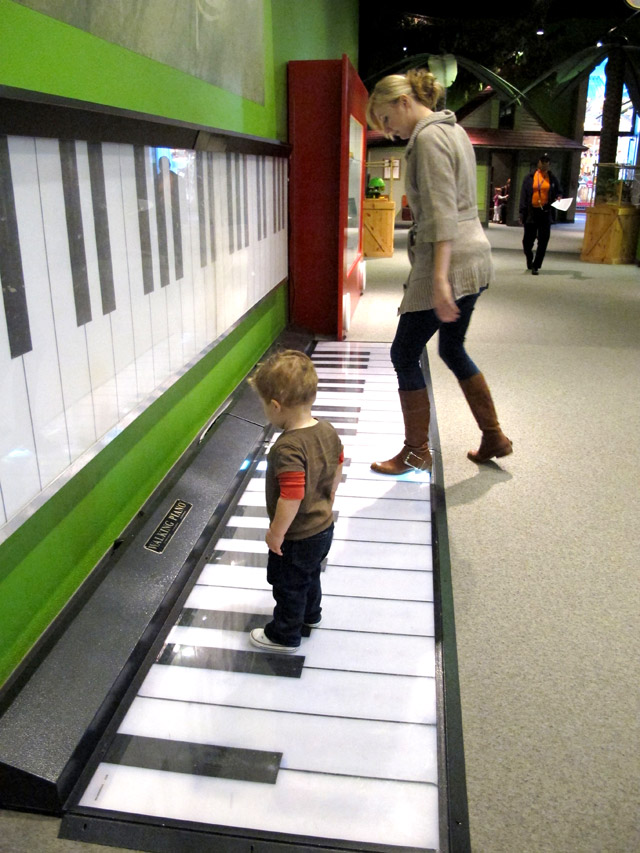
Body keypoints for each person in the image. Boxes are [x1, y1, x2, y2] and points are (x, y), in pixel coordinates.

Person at [365, 69, 512, 474]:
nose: (390, 131)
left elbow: (443, 215)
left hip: (449, 262)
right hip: (475, 255)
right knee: (451, 347)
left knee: (403, 353)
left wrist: (440, 281)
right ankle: (493, 435)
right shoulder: (454, 130)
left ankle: (416, 451)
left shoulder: (427, 139)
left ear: (403, 102)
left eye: (387, 120)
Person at [248, 350, 344, 653]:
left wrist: (277, 533)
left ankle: (285, 634)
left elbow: (291, 495)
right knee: (310, 574)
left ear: (276, 406)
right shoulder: (326, 429)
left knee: (288, 585)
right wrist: (329, 495)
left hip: (298, 534)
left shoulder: (287, 448)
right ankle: (310, 615)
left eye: (265, 406)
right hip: (323, 526)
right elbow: (338, 463)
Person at [519, 155, 562, 275]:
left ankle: (536, 265)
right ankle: (529, 257)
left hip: (546, 212)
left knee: (543, 240)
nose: (544, 165)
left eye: (546, 163)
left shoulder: (552, 178)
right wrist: (522, 213)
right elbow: (523, 196)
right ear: (538, 163)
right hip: (531, 212)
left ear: (549, 165)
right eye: (542, 162)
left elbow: (559, 191)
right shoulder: (529, 177)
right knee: (527, 241)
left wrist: (559, 196)